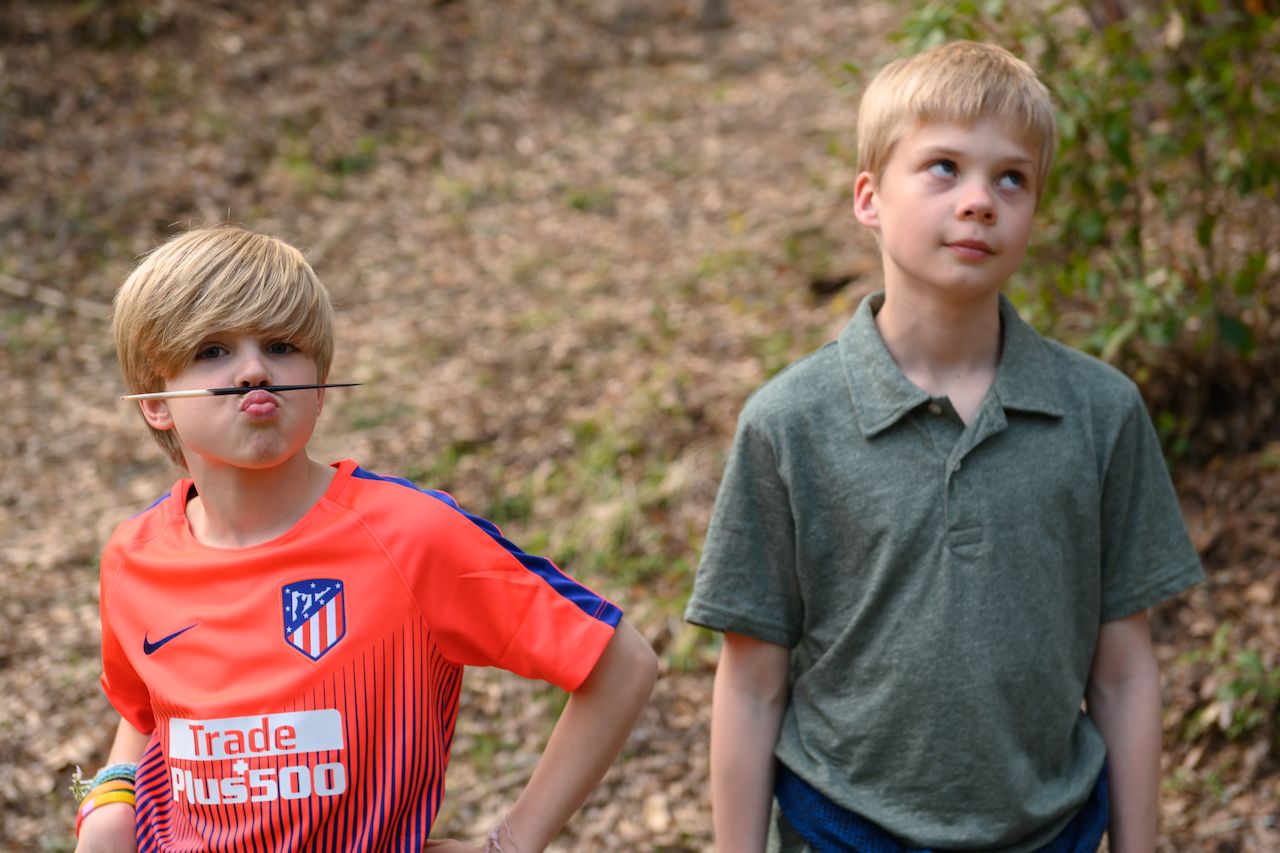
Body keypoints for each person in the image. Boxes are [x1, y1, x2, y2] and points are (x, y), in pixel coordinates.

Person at [684, 40, 1203, 853]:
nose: (979, 201)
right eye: (942, 168)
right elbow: (751, 685)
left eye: (1011, 178)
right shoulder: (789, 422)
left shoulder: (1102, 412)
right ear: (868, 198)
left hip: (1051, 829)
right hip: (841, 831)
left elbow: (1125, 671)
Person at [74, 224, 658, 852]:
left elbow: (621, 664)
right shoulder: (132, 558)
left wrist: (511, 845)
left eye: (280, 345)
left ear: (319, 384)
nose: (254, 371)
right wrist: (108, 804)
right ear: (155, 402)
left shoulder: (409, 536)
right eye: (212, 351)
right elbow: (143, 713)